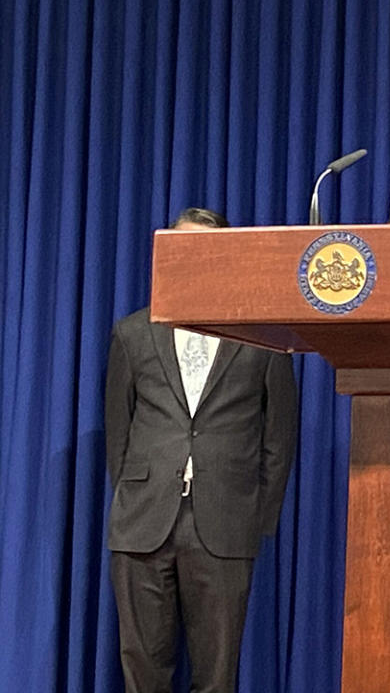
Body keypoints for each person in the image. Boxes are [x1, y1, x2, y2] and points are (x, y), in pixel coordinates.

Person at [104, 207, 298, 693]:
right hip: (143, 524)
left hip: (225, 523)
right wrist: (133, 500)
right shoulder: (132, 332)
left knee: (216, 675)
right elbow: (118, 433)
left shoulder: (262, 336)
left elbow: (279, 437)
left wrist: (257, 518)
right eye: (182, 249)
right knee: (143, 670)